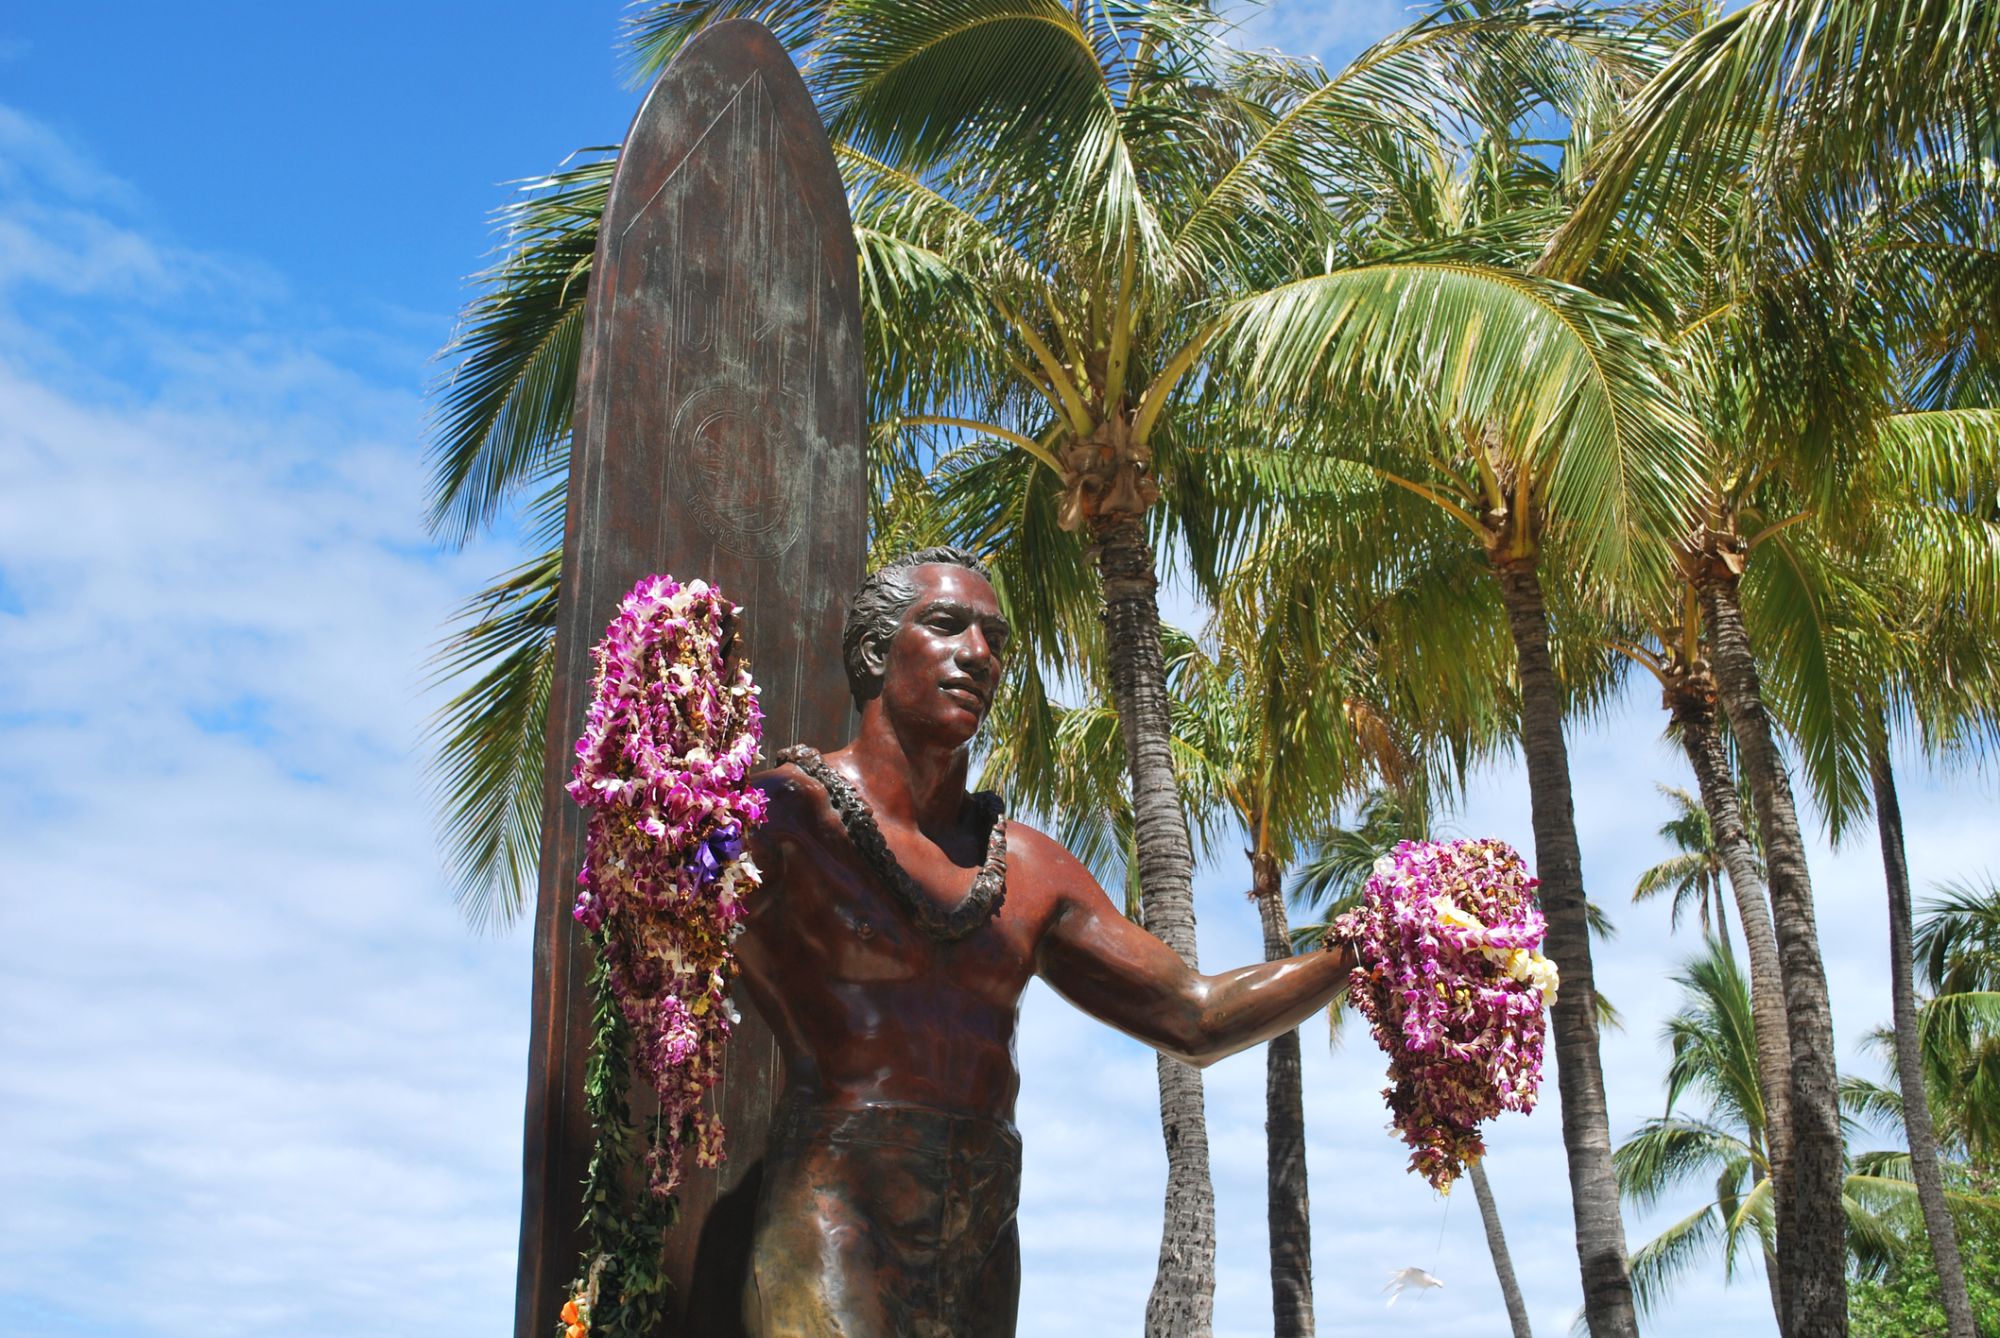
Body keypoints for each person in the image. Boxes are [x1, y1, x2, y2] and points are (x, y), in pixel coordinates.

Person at [733, 546, 1354, 1337]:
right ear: (873, 652)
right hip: (836, 1210)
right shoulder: (782, 817)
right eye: (948, 625)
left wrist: (1358, 949)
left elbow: (1194, 1015)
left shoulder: (1028, 868)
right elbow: (652, 930)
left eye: (994, 639)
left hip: (986, 1227)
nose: (979, 655)